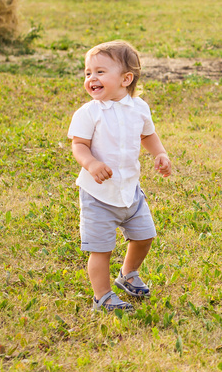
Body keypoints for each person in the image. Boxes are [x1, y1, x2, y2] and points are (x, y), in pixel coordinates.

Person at [68, 41, 172, 311]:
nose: (92, 78)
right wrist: (91, 164)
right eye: (88, 73)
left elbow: (147, 134)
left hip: (129, 190)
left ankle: (127, 274)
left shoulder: (139, 108)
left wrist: (160, 153)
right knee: (101, 249)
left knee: (145, 236)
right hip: (98, 194)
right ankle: (102, 296)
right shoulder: (89, 112)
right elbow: (79, 145)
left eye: (100, 72)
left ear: (126, 79)